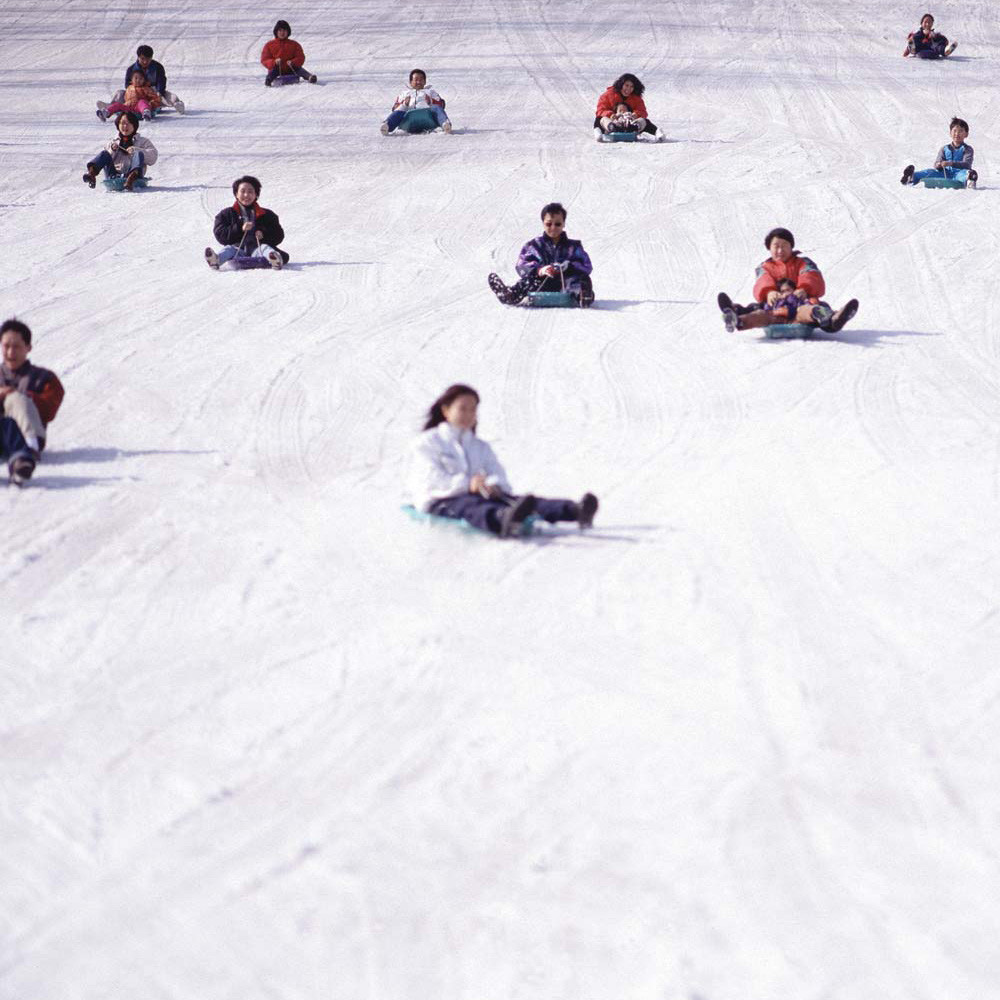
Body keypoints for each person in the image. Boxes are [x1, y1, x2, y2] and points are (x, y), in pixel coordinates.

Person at [407, 384, 599, 538]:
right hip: (440, 500)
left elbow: (496, 472)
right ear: (446, 410)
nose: (468, 415)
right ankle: (502, 519)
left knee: (516, 500)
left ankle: (575, 510)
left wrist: (493, 485)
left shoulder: (479, 446)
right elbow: (429, 480)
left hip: (477, 495)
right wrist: (468, 485)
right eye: (462, 409)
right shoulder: (427, 443)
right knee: (470, 506)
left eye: (473, 410)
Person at [717, 227, 858, 333]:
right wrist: (769, 292)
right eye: (776, 246)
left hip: (801, 306)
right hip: (773, 310)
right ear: (769, 248)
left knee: (817, 309)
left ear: (791, 247)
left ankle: (834, 319)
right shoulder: (765, 267)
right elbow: (763, 280)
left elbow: (811, 275)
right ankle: (735, 316)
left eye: (784, 246)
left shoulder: (803, 262)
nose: (780, 250)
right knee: (756, 310)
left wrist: (804, 288)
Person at [487, 202, 595, 307]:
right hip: (542, 284)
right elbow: (522, 265)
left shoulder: (574, 246)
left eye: (558, 224)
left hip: (566, 283)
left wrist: (569, 266)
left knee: (580, 281)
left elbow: (586, 266)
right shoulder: (533, 246)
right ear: (543, 223)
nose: (553, 228)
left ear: (563, 224)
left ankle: (583, 296)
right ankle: (510, 295)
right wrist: (539, 270)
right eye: (549, 224)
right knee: (529, 281)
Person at [0, 318, 64, 456]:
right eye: (6, 346)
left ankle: (29, 451)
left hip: (27, 436)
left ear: (28, 347)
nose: (10, 353)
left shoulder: (45, 378)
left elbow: (49, 410)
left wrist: (20, 396)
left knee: (15, 398)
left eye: (16, 346)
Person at [205, 175, 288, 270]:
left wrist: (263, 233)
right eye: (242, 191)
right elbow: (221, 235)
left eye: (250, 192)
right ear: (236, 194)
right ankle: (216, 260)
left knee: (265, 248)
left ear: (256, 194)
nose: (246, 195)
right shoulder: (226, 214)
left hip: (258, 250)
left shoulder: (267, 214)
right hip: (237, 251)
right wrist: (239, 228)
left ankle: (274, 259)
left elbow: (278, 235)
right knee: (229, 249)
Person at [81, 111, 158, 191]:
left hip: (134, 177)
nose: (125, 126)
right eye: (122, 123)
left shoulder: (142, 141)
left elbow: (153, 158)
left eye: (128, 123)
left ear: (134, 125)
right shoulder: (113, 142)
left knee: (138, 153)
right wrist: (112, 150)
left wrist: (136, 150)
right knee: (104, 153)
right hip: (113, 175)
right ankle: (91, 174)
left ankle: (131, 178)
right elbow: (104, 159)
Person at [99, 44, 185, 115]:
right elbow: (127, 84)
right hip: (135, 95)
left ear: (151, 57)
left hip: (152, 93)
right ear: (138, 57)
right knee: (120, 93)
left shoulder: (157, 67)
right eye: (142, 59)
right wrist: (135, 90)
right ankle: (110, 106)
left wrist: (158, 91)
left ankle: (177, 104)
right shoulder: (131, 69)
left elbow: (161, 81)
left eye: (148, 59)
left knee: (168, 95)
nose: (145, 62)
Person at [900, 117, 977, 188]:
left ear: (966, 134)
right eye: (955, 131)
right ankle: (911, 177)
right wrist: (939, 165)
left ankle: (970, 179)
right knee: (930, 172)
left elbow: (966, 164)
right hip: (944, 173)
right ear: (950, 133)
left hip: (959, 173)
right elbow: (937, 163)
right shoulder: (944, 149)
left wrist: (951, 163)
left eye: (960, 131)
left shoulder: (967, 149)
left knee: (965, 173)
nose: (957, 134)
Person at [380, 68, 452, 134]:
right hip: (408, 118)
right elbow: (394, 108)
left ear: (425, 82)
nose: (418, 82)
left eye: (421, 80)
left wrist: (431, 101)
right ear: (411, 82)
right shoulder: (404, 93)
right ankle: (387, 126)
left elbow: (442, 104)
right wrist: (404, 103)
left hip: (427, 116)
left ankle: (445, 124)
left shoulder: (431, 92)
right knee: (400, 108)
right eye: (416, 79)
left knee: (436, 107)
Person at [594, 73, 662, 141]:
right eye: (626, 85)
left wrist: (635, 115)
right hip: (613, 123)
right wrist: (611, 115)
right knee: (599, 119)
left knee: (645, 121)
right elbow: (600, 110)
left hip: (630, 124)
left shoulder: (636, 98)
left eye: (632, 86)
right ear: (621, 85)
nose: (628, 89)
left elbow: (642, 111)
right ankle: (600, 132)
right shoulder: (608, 95)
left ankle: (657, 133)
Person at [261, 20, 317, 86]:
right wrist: (274, 62)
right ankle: (268, 80)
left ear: (288, 32)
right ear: (276, 32)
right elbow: (265, 59)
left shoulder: (294, 44)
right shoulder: (269, 45)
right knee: (273, 72)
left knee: (299, 70)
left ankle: (309, 77)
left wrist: (293, 62)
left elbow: (300, 57)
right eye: (280, 30)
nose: (282, 33)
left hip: (291, 68)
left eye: (284, 30)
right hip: (277, 68)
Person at [98, 69, 162, 121]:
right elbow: (125, 98)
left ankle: (146, 112)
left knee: (142, 102)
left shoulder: (146, 88)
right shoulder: (129, 88)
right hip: (128, 107)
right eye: (136, 78)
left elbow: (155, 98)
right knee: (117, 105)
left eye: (141, 79)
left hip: (139, 108)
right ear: (132, 80)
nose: (138, 80)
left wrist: (151, 104)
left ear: (144, 80)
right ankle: (106, 113)